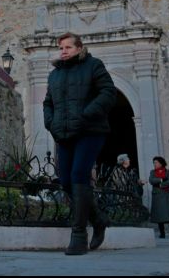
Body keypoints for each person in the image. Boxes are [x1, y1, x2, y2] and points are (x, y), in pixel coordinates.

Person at [43, 32, 117, 255]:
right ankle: (98, 220)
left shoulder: (94, 65)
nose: (63, 51)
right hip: (64, 134)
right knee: (65, 181)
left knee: (79, 176)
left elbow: (108, 92)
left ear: (79, 48)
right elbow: (48, 103)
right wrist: (51, 123)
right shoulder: (54, 75)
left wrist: (86, 114)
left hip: (90, 130)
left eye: (67, 47)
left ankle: (78, 235)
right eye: (61, 48)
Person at [149, 156, 169, 238]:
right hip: (157, 196)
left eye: (156, 162)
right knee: (160, 216)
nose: (154, 164)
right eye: (154, 163)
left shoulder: (168, 171)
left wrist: (160, 184)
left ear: (161, 163)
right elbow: (151, 180)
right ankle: (162, 233)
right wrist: (162, 179)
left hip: (167, 195)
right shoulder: (152, 172)